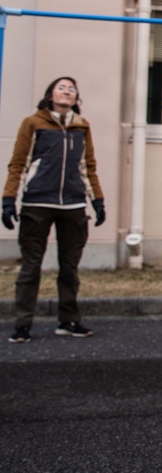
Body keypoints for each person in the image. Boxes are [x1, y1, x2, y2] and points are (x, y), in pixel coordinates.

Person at [5, 76, 105, 343]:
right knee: (31, 267)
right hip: (37, 204)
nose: (67, 91)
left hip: (73, 205)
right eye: (61, 87)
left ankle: (69, 321)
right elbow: (18, 164)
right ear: (50, 95)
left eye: (72, 89)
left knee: (69, 267)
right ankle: (23, 325)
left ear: (76, 98)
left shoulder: (82, 127)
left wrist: (97, 200)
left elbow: (88, 168)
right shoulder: (33, 123)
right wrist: (8, 199)